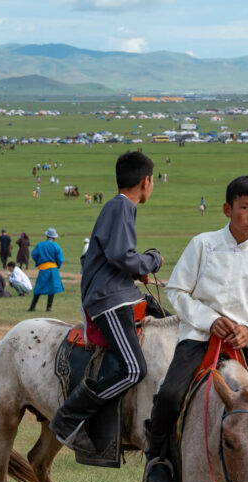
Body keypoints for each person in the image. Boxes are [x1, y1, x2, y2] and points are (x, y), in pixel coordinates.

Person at [143, 175, 248, 482]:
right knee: (169, 394)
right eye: (244, 208)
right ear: (227, 209)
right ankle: (158, 458)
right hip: (200, 336)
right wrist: (210, 320)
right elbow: (178, 290)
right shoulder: (203, 244)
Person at [50, 151, 163, 460]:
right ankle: (70, 417)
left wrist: (136, 269)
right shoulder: (121, 208)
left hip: (120, 292)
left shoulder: (119, 207)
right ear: (146, 182)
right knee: (133, 368)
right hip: (108, 301)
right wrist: (152, 260)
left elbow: (116, 256)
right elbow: (122, 256)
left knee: (164, 316)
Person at [28, 228, 64, 312]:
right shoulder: (56, 246)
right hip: (53, 269)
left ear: (46, 236)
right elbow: (60, 259)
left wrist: (39, 262)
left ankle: (32, 307)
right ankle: (49, 308)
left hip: (43, 268)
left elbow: (34, 255)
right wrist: (57, 265)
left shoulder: (40, 245)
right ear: (54, 237)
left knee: (38, 287)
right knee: (52, 288)